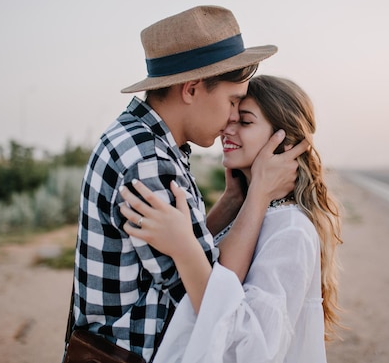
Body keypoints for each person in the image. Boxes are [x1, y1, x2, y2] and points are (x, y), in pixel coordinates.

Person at [71, 6, 309, 362]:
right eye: (232, 102)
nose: (231, 117)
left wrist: (231, 201)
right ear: (192, 89)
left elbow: (182, 250)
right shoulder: (148, 162)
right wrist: (258, 193)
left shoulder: (143, 140)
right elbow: (209, 295)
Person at [120, 74, 344, 363]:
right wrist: (235, 200)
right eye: (231, 116)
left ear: (284, 140)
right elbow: (215, 268)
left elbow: (250, 349)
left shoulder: (291, 230)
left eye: (245, 121)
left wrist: (185, 248)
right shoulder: (251, 212)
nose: (228, 128)